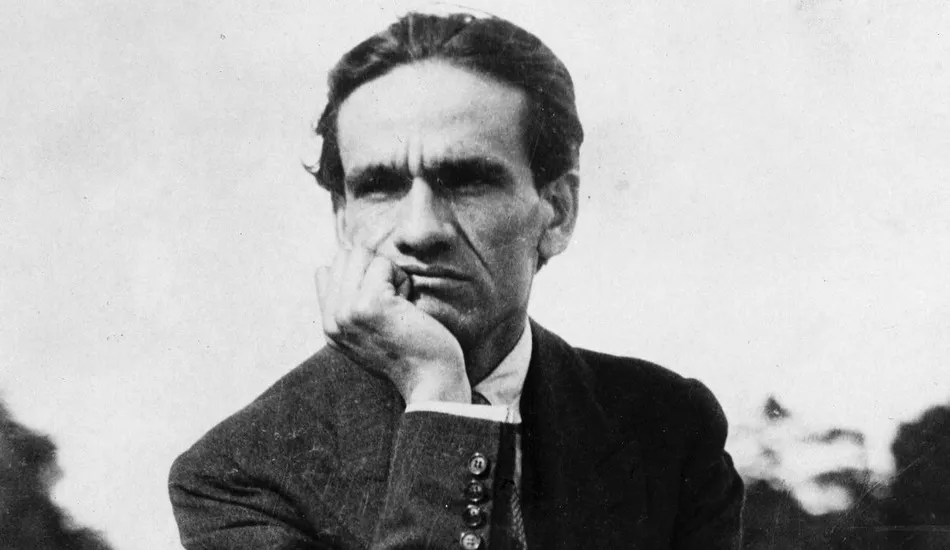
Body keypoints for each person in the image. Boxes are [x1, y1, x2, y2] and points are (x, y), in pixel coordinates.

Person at [169, 11, 744, 550]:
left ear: (558, 212)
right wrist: (439, 397)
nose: (419, 230)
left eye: (467, 181)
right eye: (379, 187)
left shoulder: (669, 424)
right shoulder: (239, 474)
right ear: (343, 221)